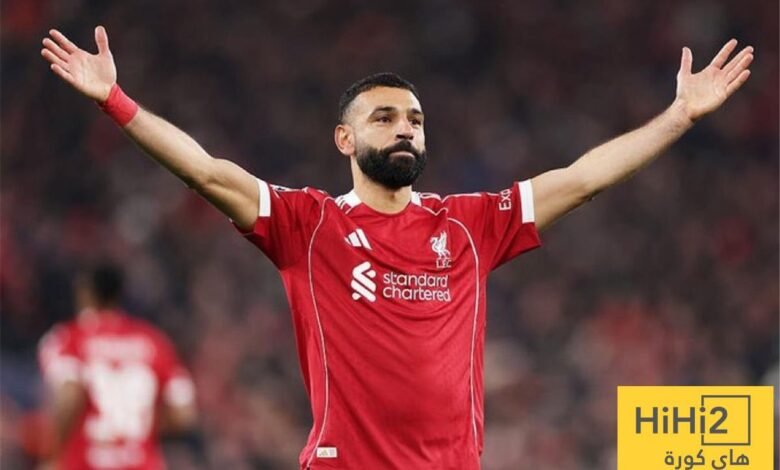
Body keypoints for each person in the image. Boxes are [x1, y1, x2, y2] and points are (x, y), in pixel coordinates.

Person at [40, 26, 753, 469]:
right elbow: (204, 171)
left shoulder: (470, 226)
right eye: (383, 118)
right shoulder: (308, 224)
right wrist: (116, 101)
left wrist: (678, 117)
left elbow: (583, 178)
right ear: (345, 140)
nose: (405, 128)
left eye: (414, 118)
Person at [37, 263, 197, 470]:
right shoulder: (154, 341)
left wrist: (53, 456)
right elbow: (184, 415)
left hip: (88, 462)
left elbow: (70, 395)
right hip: (141, 463)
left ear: (85, 293)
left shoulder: (68, 338)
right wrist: (143, 424)